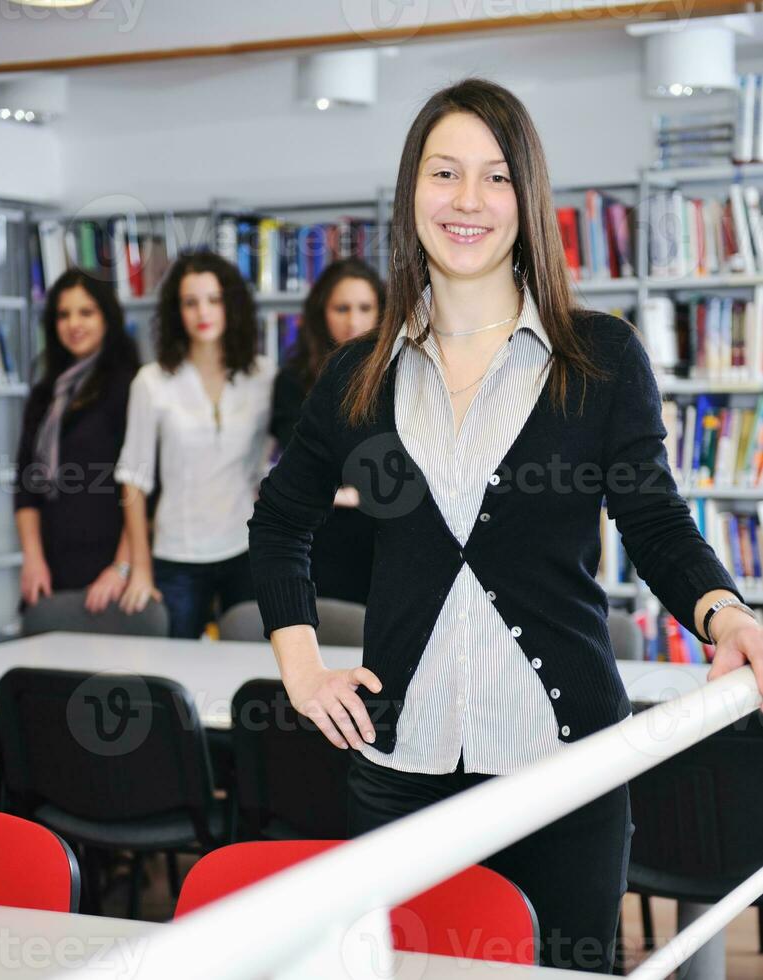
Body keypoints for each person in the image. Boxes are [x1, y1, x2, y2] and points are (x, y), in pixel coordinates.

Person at [248, 78, 763, 972]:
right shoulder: (357, 374)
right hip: (398, 769)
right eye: (444, 173)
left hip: (563, 771)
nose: (468, 200)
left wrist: (725, 613)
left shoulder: (597, 357)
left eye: (494, 177)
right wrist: (301, 671)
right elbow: (278, 520)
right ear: (412, 192)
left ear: (526, 199)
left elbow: (653, 520)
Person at [116, 250, 275, 638]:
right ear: (176, 311)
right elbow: (133, 480)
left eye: (214, 300)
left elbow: (270, 463)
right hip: (177, 554)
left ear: (231, 306)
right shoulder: (151, 382)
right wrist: (139, 567)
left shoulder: (263, 375)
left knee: (252, 664)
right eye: (190, 302)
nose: (202, 312)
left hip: (246, 547)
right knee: (177, 670)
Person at [14, 268, 140, 612]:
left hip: (110, 569)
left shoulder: (130, 387)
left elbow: (143, 487)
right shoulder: (45, 395)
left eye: (86, 312)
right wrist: (33, 558)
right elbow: (26, 486)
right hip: (50, 566)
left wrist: (122, 567)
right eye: (64, 314)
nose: (74, 324)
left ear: (107, 317)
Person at [271, 258, 384, 604]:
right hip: (317, 538)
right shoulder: (293, 379)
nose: (354, 321)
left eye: (365, 308)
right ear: (322, 312)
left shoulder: (400, 372)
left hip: (385, 540)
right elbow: (304, 464)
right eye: (342, 308)